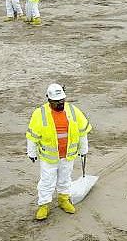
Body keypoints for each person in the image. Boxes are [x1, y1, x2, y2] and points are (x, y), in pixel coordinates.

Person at [26, 84, 92, 221]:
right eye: (56, 101)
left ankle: (64, 200)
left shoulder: (73, 111)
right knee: (47, 181)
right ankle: (44, 205)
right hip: (49, 158)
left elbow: (82, 132)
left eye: (62, 100)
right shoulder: (40, 114)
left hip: (68, 155)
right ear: (49, 100)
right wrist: (31, 152)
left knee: (65, 179)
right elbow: (32, 136)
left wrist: (84, 149)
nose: (60, 103)